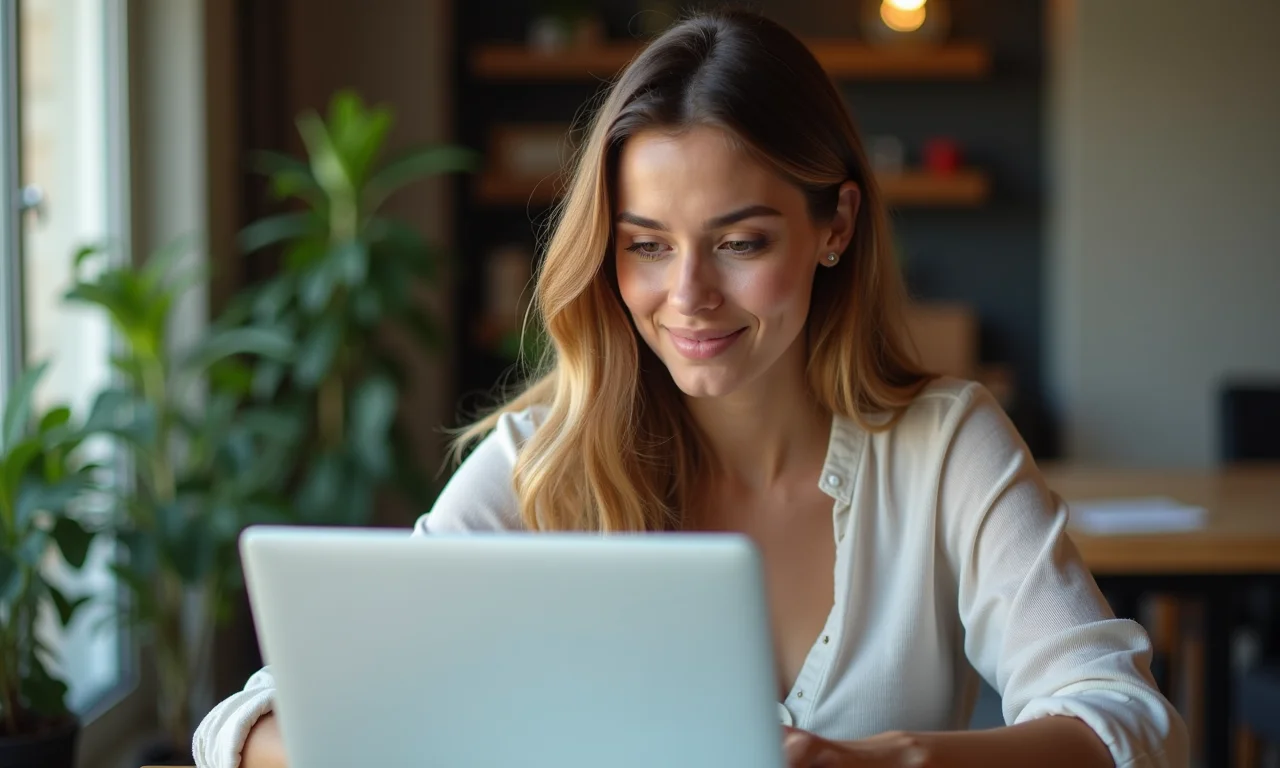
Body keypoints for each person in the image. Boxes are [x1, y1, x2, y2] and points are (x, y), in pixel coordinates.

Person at [194, 9, 1187, 768]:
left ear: (833, 227)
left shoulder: (941, 449)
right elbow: (245, 721)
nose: (687, 298)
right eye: (645, 248)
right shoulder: (546, 462)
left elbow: (1124, 718)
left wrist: (897, 759)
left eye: (740, 242)